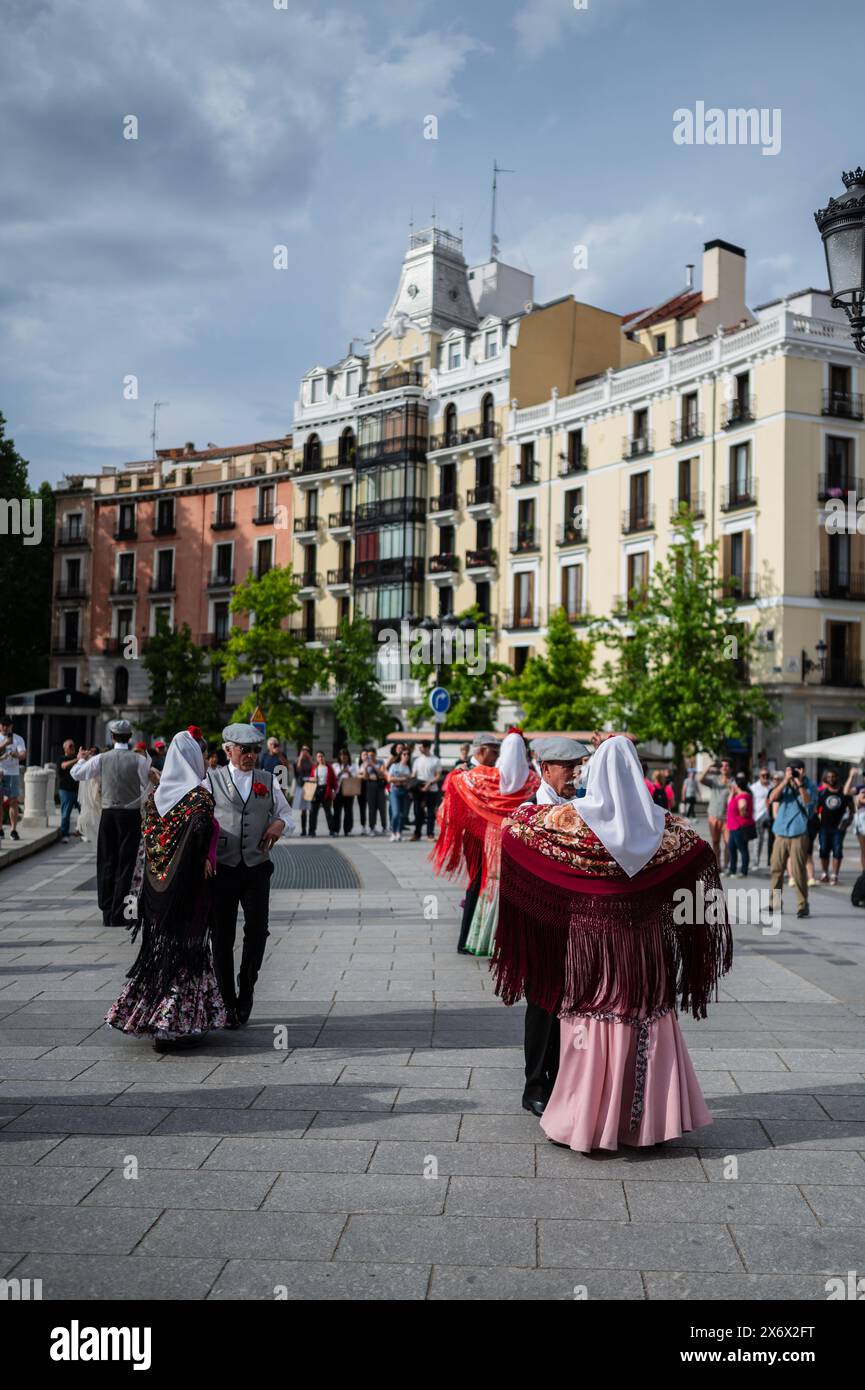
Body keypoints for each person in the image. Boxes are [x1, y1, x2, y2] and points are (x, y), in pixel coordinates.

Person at [493, 736, 732, 1151]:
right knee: (645, 1018)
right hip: (644, 943)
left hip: (591, 941)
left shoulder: (571, 822)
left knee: (593, 1020)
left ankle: (587, 1119)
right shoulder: (662, 825)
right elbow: (702, 853)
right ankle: (645, 1122)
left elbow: (512, 834)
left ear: (595, 773)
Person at [104, 730, 228, 1050]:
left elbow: (150, 838)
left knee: (163, 949)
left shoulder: (156, 795)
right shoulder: (198, 797)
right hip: (189, 890)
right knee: (188, 949)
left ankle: (155, 1015)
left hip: (157, 889)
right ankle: (175, 1022)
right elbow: (201, 831)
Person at [207, 722, 293, 1026]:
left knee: (258, 931)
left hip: (257, 867)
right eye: (246, 750)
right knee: (222, 936)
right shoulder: (210, 781)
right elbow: (197, 819)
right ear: (229, 750)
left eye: (255, 750)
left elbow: (285, 813)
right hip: (223, 869)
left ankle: (247, 985)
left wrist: (279, 824)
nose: (252, 755)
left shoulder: (267, 780)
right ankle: (227, 1002)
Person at [432, 730, 540, 959]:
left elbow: (452, 793)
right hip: (515, 839)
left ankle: (471, 940)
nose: (496, 754)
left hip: (482, 837)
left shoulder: (479, 777)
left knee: (481, 885)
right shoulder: (532, 780)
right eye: (493, 750)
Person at [71, 719, 149, 926]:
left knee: (107, 861)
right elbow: (147, 784)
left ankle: (107, 911)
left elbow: (76, 774)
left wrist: (80, 759)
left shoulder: (102, 759)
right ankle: (122, 911)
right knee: (127, 863)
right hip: (131, 815)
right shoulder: (139, 760)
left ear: (112, 737)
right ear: (130, 737)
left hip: (109, 814)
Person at [768, 760, 816, 919]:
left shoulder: (810, 785)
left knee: (798, 871)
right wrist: (785, 781)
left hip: (799, 832)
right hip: (781, 832)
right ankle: (775, 903)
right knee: (776, 869)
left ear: (801, 770)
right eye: (788, 770)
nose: (791, 773)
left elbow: (809, 804)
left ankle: (803, 905)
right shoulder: (785, 784)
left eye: (793, 771)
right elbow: (773, 797)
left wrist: (799, 783)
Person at [816, 769, 852, 885]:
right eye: (828, 777)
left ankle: (834, 875)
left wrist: (847, 823)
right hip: (824, 827)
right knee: (824, 850)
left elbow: (852, 809)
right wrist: (817, 822)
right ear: (825, 779)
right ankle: (824, 874)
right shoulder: (822, 793)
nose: (831, 779)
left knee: (837, 850)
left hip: (839, 828)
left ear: (837, 778)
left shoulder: (844, 793)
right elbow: (816, 809)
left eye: (833, 776)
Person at [700, 758, 732, 866]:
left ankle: (726, 865)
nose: (724, 767)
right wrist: (709, 766)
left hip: (727, 818)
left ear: (729, 768)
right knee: (715, 842)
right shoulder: (715, 779)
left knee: (728, 843)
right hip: (713, 815)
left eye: (726, 765)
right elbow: (701, 779)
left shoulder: (732, 782)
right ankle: (717, 865)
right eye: (722, 766)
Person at [0, 715, 26, 842]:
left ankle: (13, 829)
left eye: (7, 725)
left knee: (13, 801)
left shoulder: (18, 739)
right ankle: (0, 829)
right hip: (0, 772)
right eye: (2, 725)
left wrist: (14, 754)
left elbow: (23, 755)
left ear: (11, 726)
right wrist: (4, 744)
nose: (5, 728)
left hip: (13, 773)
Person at [411, 740, 442, 841]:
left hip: (432, 789)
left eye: (421, 747)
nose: (419, 749)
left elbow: (438, 776)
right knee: (418, 812)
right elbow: (413, 775)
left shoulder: (435, 760)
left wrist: (430, 783)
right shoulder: (417, 760)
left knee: (430, 813)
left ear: (427, 747)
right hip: (419, 789)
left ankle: (430, 834)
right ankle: (417, 833)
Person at [725, 772, 755, 878]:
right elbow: (729, 804)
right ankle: (732, 869)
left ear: (737, 785)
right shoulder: (736, 795)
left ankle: (743, 871)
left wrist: (743, 812)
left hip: (740, 827)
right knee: (731, 848)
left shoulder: (743, 796)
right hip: (733, 826)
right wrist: (732, 792)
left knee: (742, 849)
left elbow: (743, 809)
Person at [56, 739, 81, 842]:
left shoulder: (78, 758)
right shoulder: (61, 758)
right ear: (65, 748)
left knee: (84, 812)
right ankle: (64, 834)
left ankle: (82, 832)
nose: (73, 748)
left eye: (73, 746)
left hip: (78, 790)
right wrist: (77, 759)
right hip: (66, 790)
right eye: (70, 746)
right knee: (66, 814)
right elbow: (64, 766)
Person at [386, 748, 414, 841]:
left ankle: (399, 832)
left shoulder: (409, 767)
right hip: (395, 791)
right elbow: (390, 779)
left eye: (408, 754)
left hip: (405, 791)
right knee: (396, 813)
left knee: (403, 814)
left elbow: (410, 781)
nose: (406, 756)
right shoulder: (394, 766)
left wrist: (405, 780)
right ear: (400, 756)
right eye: (404, 754)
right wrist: (403, 779)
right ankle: (393, 832)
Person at [308, 749, 337, 836]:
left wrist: (334, 790)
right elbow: (310, 779)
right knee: (313, 812)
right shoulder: (314, 768)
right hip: (316, 790)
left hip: (326, 790)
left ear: (324, 757)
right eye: (318, 757)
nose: (320, 758)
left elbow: (334, 781)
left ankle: (332, 830)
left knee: (328, 811)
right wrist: (312, 779)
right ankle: (312, 831)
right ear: (316, 758)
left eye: (321, 756)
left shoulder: (329, 768)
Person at [750, 766, 773, 867]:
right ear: (759, 776)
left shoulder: (772, 786)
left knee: (771, 841)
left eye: (767, 775)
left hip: (770, 816)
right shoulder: (753, 787)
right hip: (758, 816)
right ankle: (756, 862)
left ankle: (770, 862)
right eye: (763, 775)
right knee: (758, 841)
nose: (765, 777)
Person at [332, 748, 359, 837]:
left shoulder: (353, 766)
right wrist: (340, 773)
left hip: (349, 789)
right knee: (337, 811)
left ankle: (348, 830)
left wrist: (349, 773)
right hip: (338, 790)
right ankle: (336, 830)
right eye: (341, 755)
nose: (343, 757)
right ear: (339, 757)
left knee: (348, 811)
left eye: (345, 755)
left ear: (348, 756)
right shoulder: (335, 765)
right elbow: (332, 778)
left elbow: (355, 778)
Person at [361, 747, 387, 836]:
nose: (370, 757)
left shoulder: (381, 762)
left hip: (380, 786)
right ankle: (372, 827)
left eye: (372, 755)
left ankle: (384, 827)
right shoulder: (365, 763)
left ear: (375, 755)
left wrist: (373, 765)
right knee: (371, 808)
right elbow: (365, 777)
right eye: (369, 756)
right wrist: (365, 768)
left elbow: (382, 774)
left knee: (382, 807)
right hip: (370, 786)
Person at [292, 745, 314, 836]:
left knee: (311, 809)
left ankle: (311, 830)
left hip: (310, 785)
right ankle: (304, 830)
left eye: (307, 750)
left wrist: (309, 758)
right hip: (301, 785)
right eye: (303, 749)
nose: (305, 751)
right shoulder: (298, 760)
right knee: (303, 809)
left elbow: (314, 769)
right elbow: (298, 769)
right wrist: (301, 758)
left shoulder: (310, 760)